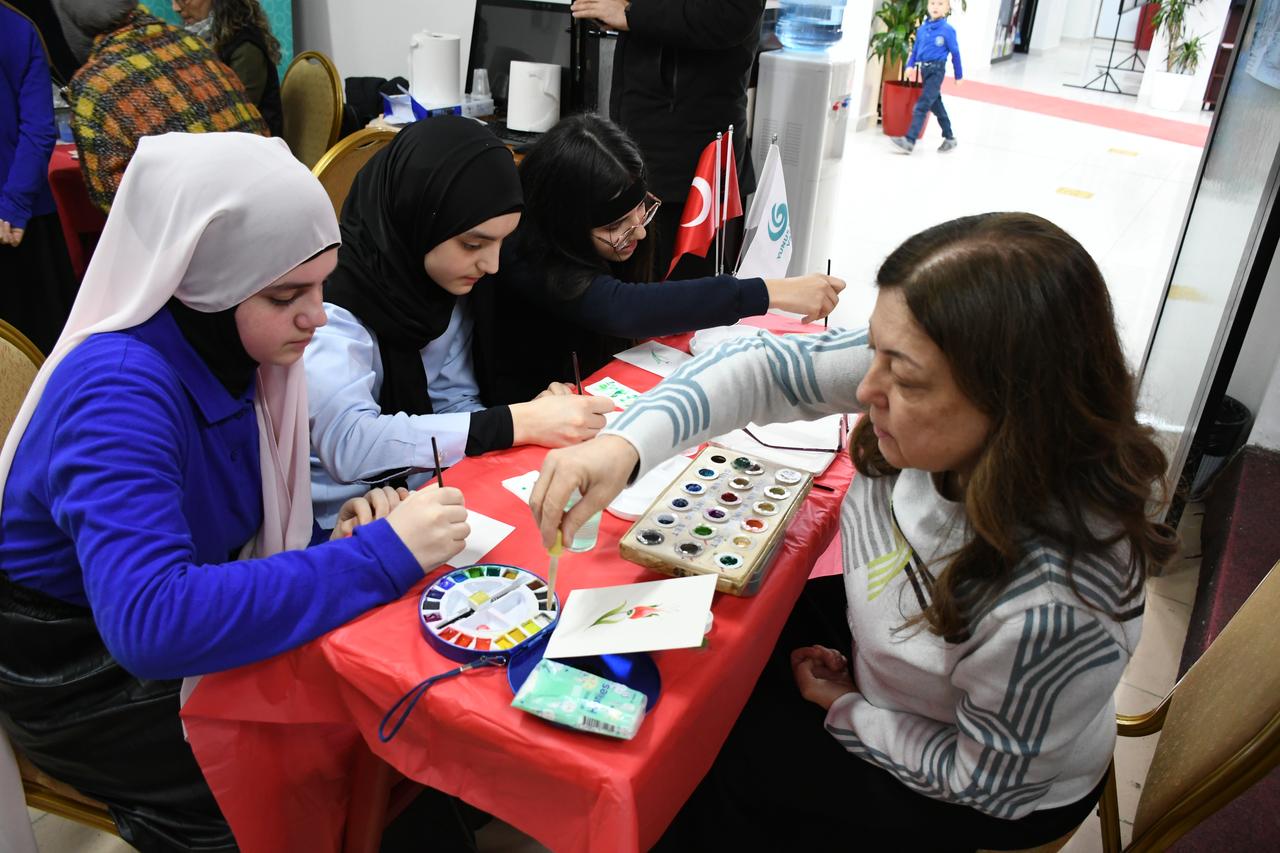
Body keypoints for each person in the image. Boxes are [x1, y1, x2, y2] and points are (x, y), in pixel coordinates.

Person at [530, 212, 1178, 849]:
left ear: (1013, 405)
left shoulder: (1055, 606)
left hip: (968, 786)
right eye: (873, 349)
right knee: (699, 664)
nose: (866, 388)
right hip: (890, 656)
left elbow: (987, 783)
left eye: (906, 378)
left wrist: (849, 711)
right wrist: (624, 446)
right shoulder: (934, 385)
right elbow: (761, 367)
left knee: (703, 768)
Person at [0, 132, 476, 852]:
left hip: (146, 619)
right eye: (287, 295)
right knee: (348, 733)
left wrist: (341, 536)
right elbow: (151, 622)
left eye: (321, 285)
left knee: (391, 703)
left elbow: (234, 532)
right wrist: (375, 557)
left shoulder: (239, 352)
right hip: (78, 672)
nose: (317, 316)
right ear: (204, 286)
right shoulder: (120, 392)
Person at [306, 116, 616, 529]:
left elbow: (454, 400)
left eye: (503, 241)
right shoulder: (328, 309)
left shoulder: (439, 286)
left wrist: (530, 417)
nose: (492, 264)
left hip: (424, 493)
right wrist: (516, 422)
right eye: (473, 244)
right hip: (336, 520)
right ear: (417, 218)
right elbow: (350, 444)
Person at [484, 112, 846, 404]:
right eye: (615, 225)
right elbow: (623, 307)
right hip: (531, 410)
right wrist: (769, 292)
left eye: (641, 210)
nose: (639, 233)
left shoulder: (618, 234)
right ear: (566, 221)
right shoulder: (522, 255)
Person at [569, 0, 765, 278]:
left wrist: (631, 14)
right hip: (634, 132)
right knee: (632, 280)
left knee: (687, 285)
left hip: (693, 151)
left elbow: (732, 16)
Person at [53, 0, 268, 213]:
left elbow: (115, 202)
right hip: (264, 200)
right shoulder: (193, 44)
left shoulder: (93, 85)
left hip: (197, 222)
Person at [1, 1, 78, 354]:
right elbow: (39, 128)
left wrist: (14, 204)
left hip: (22, 220)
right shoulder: (18, 26)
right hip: (21, 215)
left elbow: (38, 128)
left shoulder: (15, 28)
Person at [171, 0, 284, 137]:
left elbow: (236, 118)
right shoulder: (188, 42)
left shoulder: (245, 47)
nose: (175, 7)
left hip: (248, 143)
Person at [891, 0, 963, 154]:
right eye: (932, 3)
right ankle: (949, 137)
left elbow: (955, 53)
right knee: (936, 105)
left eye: (940, 4)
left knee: (922, 105)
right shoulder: (922, 29)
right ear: (928, 6)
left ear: (947, 8)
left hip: (937, 71)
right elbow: (916, 50)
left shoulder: (948, 30)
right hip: (925, 70)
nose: (935, 7)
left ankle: (909, 141)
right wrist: (910, 65)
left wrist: (959, 75)